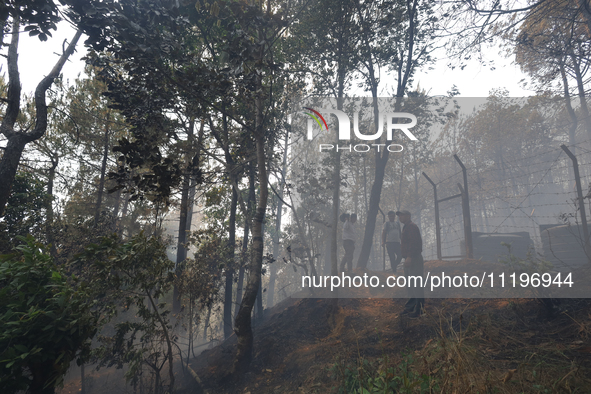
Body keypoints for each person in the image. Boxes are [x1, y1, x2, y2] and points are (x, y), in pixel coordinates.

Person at [397, 210, 424, 318]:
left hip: (414, 259)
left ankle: (419, 310)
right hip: (409, 258)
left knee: (416, 284)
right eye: (399, 216)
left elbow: (414, 243)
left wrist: (410, 256)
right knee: (410, 284)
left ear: (408, 216)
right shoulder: (406, 227)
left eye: (402, 215)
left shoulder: (412, 227)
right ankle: (410, 307)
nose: (400, 217)